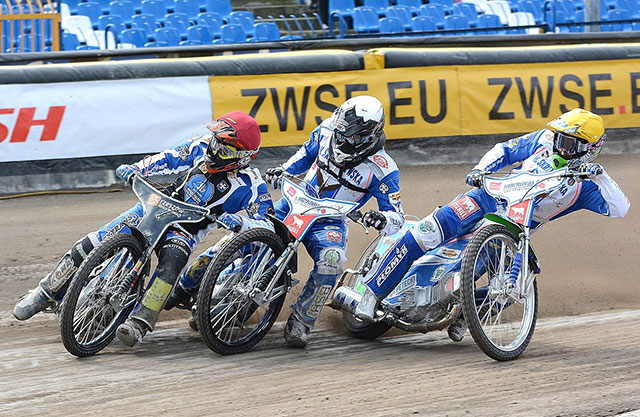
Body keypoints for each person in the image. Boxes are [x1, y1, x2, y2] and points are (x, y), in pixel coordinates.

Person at [353, 108, 631, 342]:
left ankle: (464, 316)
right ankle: (371, 294)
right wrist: (480, 169)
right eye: (560, 138)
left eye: (569, 143)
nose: (560, 146)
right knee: (426, 233)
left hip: (513, 230)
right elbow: (505, 150)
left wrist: (600, 175)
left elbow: (621, 208)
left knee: (511, 287)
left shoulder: (585, 186)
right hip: (485, 197)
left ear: (588, 150)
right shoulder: (544, 139)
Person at [13, 111, 275, 348]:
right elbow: (169, 158)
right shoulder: (201, 145)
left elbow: (267, 222)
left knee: (171, 265)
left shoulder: (251, 184)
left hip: (183, 231)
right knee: (92, 243)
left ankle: (141, 321)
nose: (215, 152)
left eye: (225, 150)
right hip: (153, 206)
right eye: (216, 143)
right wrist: (137, 169)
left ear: (243, 157)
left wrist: (242, 223)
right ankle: (44, 293)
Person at [172, 95, 405, 348]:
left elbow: (397, 217)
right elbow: (305, 154)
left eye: (351, 137)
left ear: (369, 136)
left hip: (329, 222)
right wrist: (284, 170)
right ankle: (185, 285)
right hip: (294, 204)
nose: (342, 140)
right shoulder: (327, 130)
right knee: (240, 236)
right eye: (340, 132)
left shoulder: (384, 169)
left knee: (333, 261)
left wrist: (382, 218)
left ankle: (302, 320)